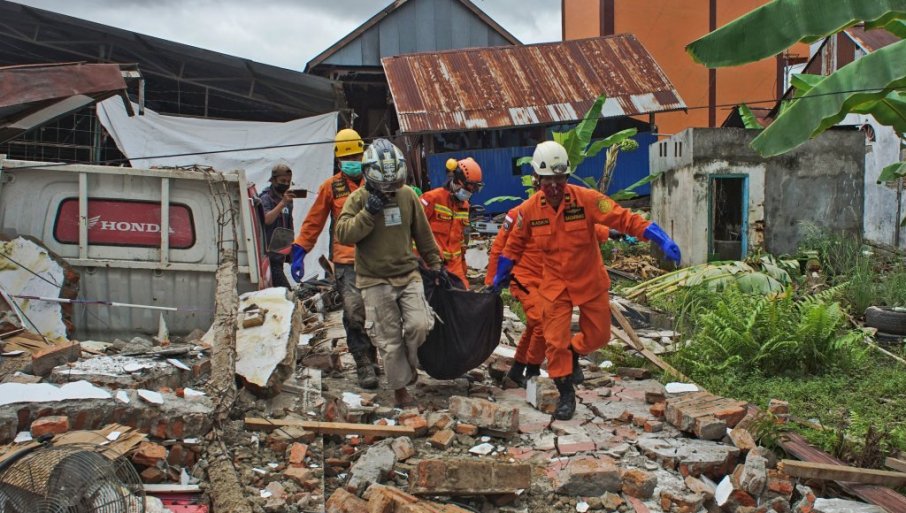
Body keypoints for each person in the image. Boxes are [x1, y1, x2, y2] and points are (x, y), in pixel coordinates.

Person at [491, 141, 681, 420]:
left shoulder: (586, 200)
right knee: (554, 341)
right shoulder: (529, 210)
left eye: (559, 180)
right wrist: (499, 276)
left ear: (566, 177)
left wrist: (659, 237)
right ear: (537, 179)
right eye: (547, 180)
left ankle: (574, 351)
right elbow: (513, 246)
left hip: (589, 280)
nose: (554, 187)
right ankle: (566, 394)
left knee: (599, 336)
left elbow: (624, 219)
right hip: (555, 286)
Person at [335, 138, 443, 408]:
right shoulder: (357, 199)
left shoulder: (407, 196)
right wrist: (368, 213)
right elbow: (344, 234)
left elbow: (423, 234)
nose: (389, 190)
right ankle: (400, 391)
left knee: (420, 325)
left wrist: (436, 264)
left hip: (408, 274)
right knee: (389, 339)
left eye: (393, 184)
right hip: (374, 280)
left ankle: (408, 367)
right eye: (384, 186)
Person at [486, 190, 612, 388]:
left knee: (534, 325)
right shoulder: (519, 214)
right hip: (522, 278)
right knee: (541, 321)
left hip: (547, 280)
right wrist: (491, 281)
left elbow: (596, 231)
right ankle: (533, 369)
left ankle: (517, 369)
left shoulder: (564, 213)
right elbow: (498, 248)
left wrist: (602, 226)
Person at [291, 128, 379, 389]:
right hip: (346, 260)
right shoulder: (330, 187)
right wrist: (300, 251)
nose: (352, 161)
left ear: (363, 155)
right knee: (353, 311)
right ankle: (363, 362)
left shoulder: (377, 183)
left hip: (378, 259)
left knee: (380, 313)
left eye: (356, 156)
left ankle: (374, 356)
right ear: (339, 160)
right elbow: (314, 221)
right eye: (347, 157)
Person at [419, 158, 484, 289]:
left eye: (474, 188)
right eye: (468, 187)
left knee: (462, 294)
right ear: (456, 179)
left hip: (454, 266)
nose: (470, 192)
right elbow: (414, 230)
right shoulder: (431, 198)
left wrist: (463, 270)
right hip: (428, 265)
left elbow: (461, 241)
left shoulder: (465, 206)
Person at [259, 163, 295, 289]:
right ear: (273, 180)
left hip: (280, 255)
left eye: (288, 181)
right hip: (269, 257)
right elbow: (267, 219)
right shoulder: (266, 198)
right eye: (282, 181)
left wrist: (292, 252)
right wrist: (282, 203)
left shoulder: (287, 199)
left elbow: (289, 225)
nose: (285, 184)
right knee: (286, 291)